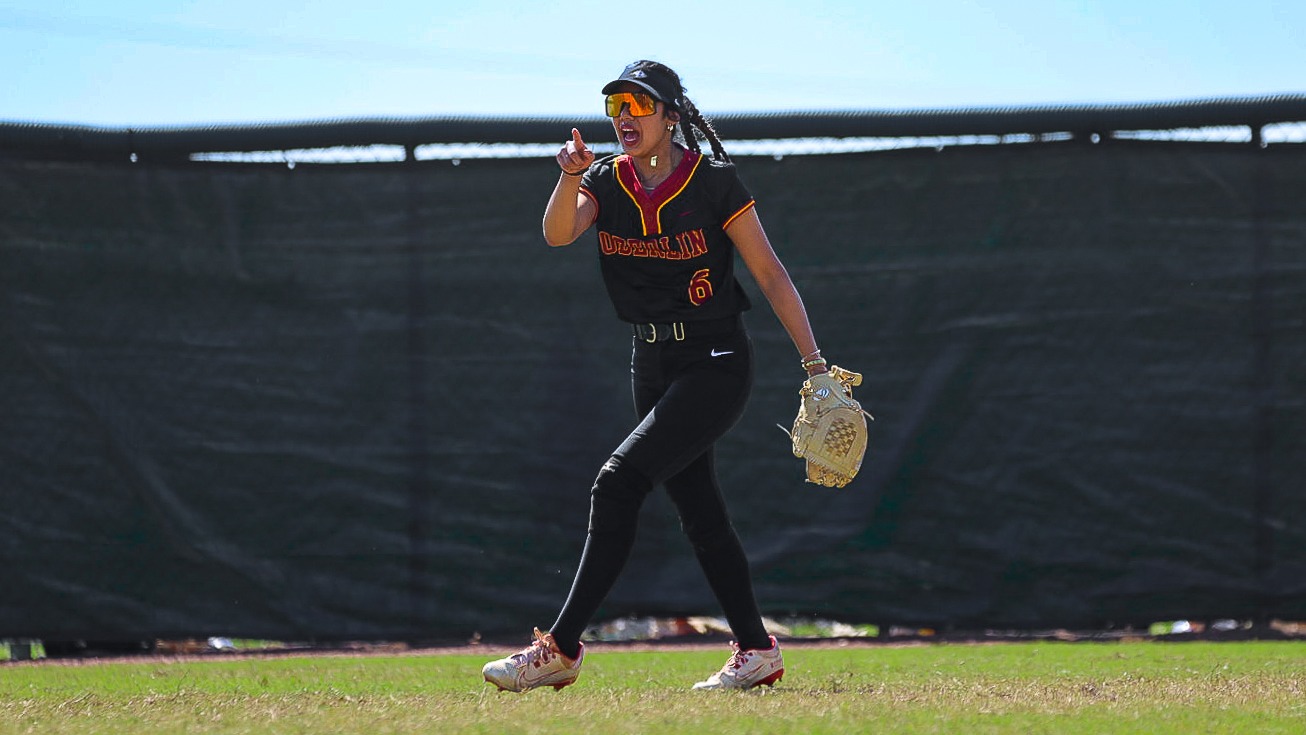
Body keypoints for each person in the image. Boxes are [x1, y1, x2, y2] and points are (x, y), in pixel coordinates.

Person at [482, 60, 833, 693]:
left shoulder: (713, 182)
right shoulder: (604, 180)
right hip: (652, 360)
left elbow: (771, 274)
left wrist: (815, 365)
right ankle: (757, 650)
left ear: (672, 115)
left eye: (639, 105)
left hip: (716, 361)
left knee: (616, 484)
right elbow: (558, 233)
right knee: (700, 512)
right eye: (616, 104)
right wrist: (566, 176)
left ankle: (560, 648)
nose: (624, 117)